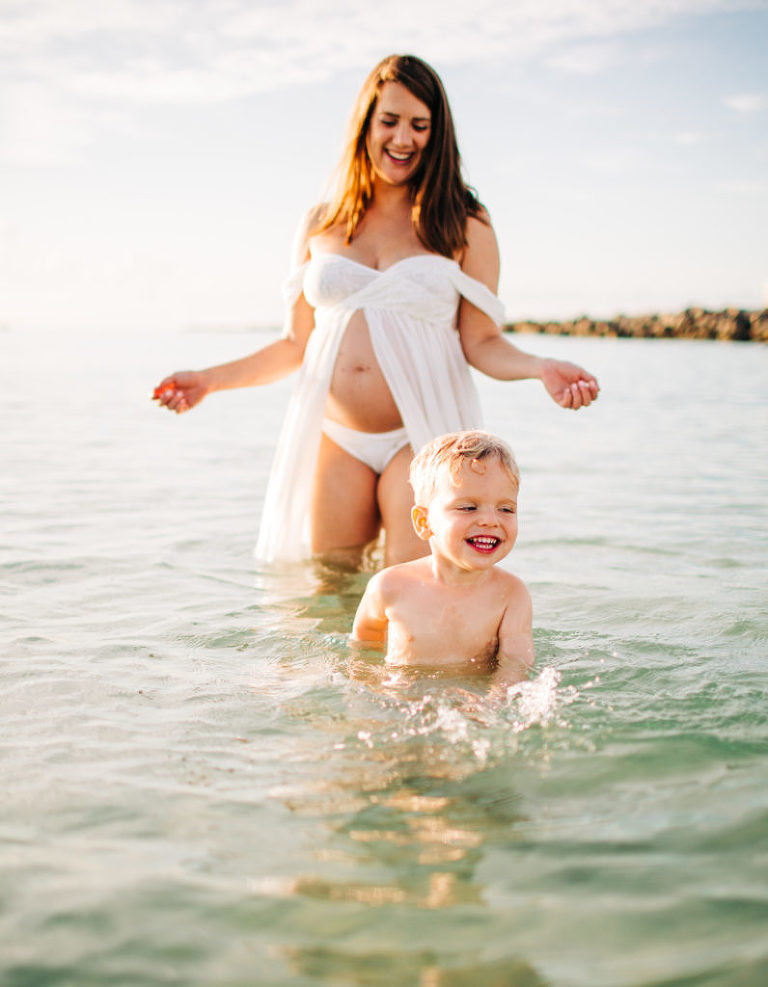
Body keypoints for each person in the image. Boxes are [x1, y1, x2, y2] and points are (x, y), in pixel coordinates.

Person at [154, 54, 599, 566]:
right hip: (336, 435)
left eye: (419, 125)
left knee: (415, 592)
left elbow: (481, 342)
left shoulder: (463, 221)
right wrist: (208, 381)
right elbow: (295, 345)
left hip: (423, 435)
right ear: (365, 123)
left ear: (439, 132)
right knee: (329, 594)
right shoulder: (322, 220)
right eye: (389, 121)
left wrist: (540, 368)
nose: (403, 138)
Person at [350, 430, 533, 686]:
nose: (490, 521)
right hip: (404, 698)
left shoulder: (511, 594)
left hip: (472, 702)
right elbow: (363, 648)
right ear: (424, 522)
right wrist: (372, 691)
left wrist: (494, 704)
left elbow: (515, 665)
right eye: (468, 507)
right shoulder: (389, 586)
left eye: (506, 509)